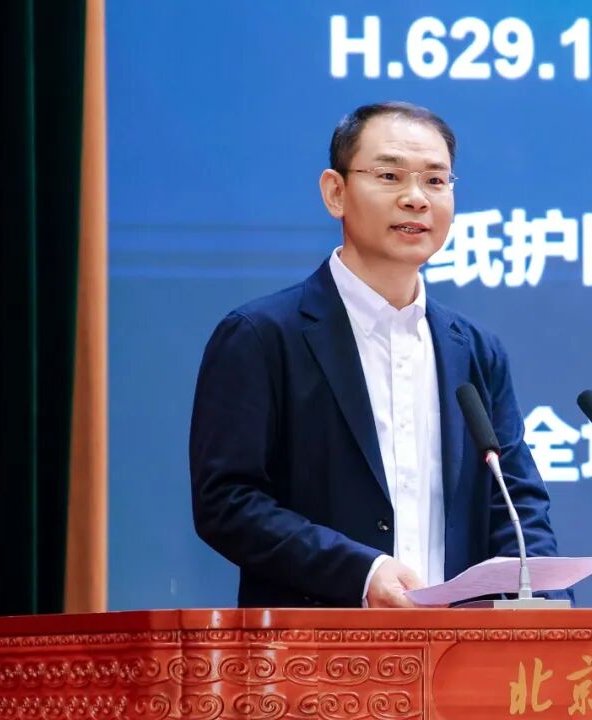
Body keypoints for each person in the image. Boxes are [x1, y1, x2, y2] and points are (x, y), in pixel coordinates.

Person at [189, 101, 570, 608]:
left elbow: (517, 506)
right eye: (390, 176)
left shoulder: (476, 350)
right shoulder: (262, 336)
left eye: (435, 181)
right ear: (336, 192)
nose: (416, 199)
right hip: (316, 644)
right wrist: (361, 573)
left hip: (459, 647)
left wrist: (545, 602)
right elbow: (228, 503)